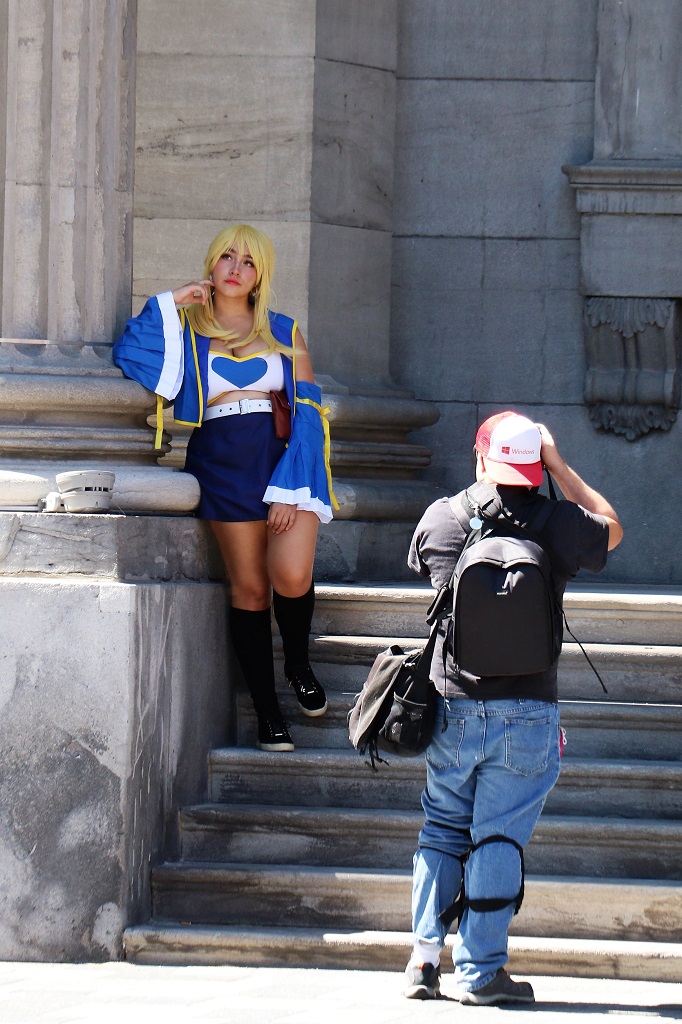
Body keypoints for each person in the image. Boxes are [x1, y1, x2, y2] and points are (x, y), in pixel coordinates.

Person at [403, 410, 623, 1005]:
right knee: (497, 838)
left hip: (453, 706)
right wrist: (560, 467)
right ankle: (479, 973)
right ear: (534, 464)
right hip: (527, 710)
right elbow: (612, 528)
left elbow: (422, 564)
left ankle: (423, 962)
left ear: (480, 457)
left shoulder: (443, 517)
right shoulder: (558, 522)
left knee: (441, 829)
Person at [113, 223, 336, 753]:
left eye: (249, 261)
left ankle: (298, 663)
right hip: (221, 462)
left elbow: (308, 410)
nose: (236, 268)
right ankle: (267, 713)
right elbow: (129, 350)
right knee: (251, 588)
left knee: (290, 573)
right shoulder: (187, 331)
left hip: (283, 459)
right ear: (212, 263)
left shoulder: (284, 330)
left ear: (261, 275)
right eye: (227, 257)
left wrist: (288, 486)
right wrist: (172, 301)